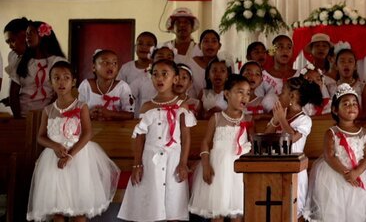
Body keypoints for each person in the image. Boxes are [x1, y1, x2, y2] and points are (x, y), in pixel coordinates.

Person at [27, 61, 119, 222]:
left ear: (73, 81)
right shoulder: (48, 110)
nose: (61, 82)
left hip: (78, 158)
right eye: (56, 78)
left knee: (79, 209)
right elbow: (40, 136)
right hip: (53, 160)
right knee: (57, 210)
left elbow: (87, 133)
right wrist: (55, 145)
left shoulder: (81, 106)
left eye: (66, 78)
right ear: (50, 82)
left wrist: (70, 155)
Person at [118, 59, 197, 222]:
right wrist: (137, 164)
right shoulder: (147, 106)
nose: (159, 79)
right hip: (150, 162)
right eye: (155, 75)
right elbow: (140, 137)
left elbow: (185, 136)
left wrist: (183, 163)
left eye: (164, 74)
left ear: (175, 79)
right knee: (150, 208)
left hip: (173, 161)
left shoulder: (182, 105)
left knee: (173, 205)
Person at [306, 83, 366, 221]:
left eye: (354, 104)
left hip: (358, 175)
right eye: (346, 104)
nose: (351, 107)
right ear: (335, 110)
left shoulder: (362, 132)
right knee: (334, 212)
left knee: (356, 211)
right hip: (334, 177)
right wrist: (346, 174)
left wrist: (355, 173)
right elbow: (329, 156)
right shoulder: (332, 133)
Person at [189, 75, 254, 221]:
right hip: (217, 169)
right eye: (240, 92)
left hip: (238, 171)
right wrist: (205, 164)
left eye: (248, 93)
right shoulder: (217, 118)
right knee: (217, 213)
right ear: (227, 94)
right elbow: (205, 142)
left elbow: (253, 143)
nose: (245, 97)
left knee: (237, 214)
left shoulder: (248, 119)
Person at [263, 76, 323, 218]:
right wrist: (275, 121)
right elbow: (265, 139)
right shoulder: (280, 115)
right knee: (275, 211)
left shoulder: (305, 120)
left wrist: (282, 120)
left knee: (291, 212)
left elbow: (291, 138)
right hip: (275, 168)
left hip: (294, 171)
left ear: (292, 96)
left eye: (282, 92)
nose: (279, 95)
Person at [10, 21, 67, 118]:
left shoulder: (57, 61)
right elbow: (13, 93)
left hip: (49, 116)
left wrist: (47, 114)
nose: (27, 37)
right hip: (24, 115)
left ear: (42, 35)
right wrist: (18, 117)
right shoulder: (21, 61)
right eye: (26, 34)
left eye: (31, 33)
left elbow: (61, 92)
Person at [78, 49, 134, 120]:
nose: (111, 66)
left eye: (114, 63)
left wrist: (110, 114)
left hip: (117, 130)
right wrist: (89, 113)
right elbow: (78, 112)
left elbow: (130, 114)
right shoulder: (86, 85)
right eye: (105, 62)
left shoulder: (122, 87)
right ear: (94, 67)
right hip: (92, 128)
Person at [129, 46, 174, 117]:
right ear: (152, 59)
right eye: (160, 57)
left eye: (169, 58)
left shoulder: (176, 80)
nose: (165, 60)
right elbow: (128, 98)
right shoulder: (142, 78)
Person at [186, 29, 225, 98]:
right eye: (206, 41)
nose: (210, 44)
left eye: (214, 41)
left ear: (219, 46)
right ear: (199, 46)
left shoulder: (225, 64)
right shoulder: (191, 63)